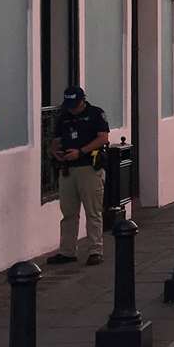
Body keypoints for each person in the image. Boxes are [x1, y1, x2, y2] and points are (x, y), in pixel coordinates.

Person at [47, 86, 110, 266]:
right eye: (69, 105)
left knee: (93, 211)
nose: (72, 108)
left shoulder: (96, 114)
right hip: (68, 169)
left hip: (89, 167)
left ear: (83, 100)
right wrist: (55, 151)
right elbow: (56, 140)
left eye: (75, 104)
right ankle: (67, 251)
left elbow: (103, 138)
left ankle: (95, 250)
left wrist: (81, 152)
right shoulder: (64, 116)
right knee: (68, 213)